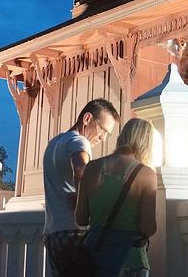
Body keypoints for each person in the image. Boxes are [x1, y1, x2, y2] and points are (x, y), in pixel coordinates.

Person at [43, 98, 121, 276]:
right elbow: (80, 170)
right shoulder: (79, 141)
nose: (103, 137)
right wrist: (84, 204)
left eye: (108, 134)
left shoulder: (54, 144)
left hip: (53, 232)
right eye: (102, 129)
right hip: (74, 234)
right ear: (87, 118)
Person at [76, 118, 158, 277]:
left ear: (122, 137)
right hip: (129, 260)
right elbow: (147, 228)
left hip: (94, 260)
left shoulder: (92, 168)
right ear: (146, 144)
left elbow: (81, 219)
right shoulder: (146, 174)